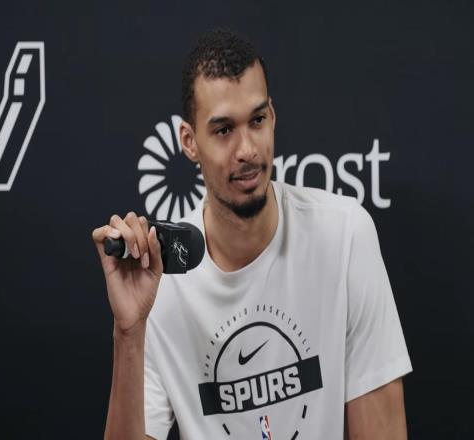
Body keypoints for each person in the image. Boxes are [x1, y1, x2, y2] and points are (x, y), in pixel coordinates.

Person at [92, 29, 413, 440]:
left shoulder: (345, 235)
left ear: (272, 117)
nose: (247, 149)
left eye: (257, 120)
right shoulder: (159, 281)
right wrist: (129, 332)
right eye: (224, 130)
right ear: (189, 142)